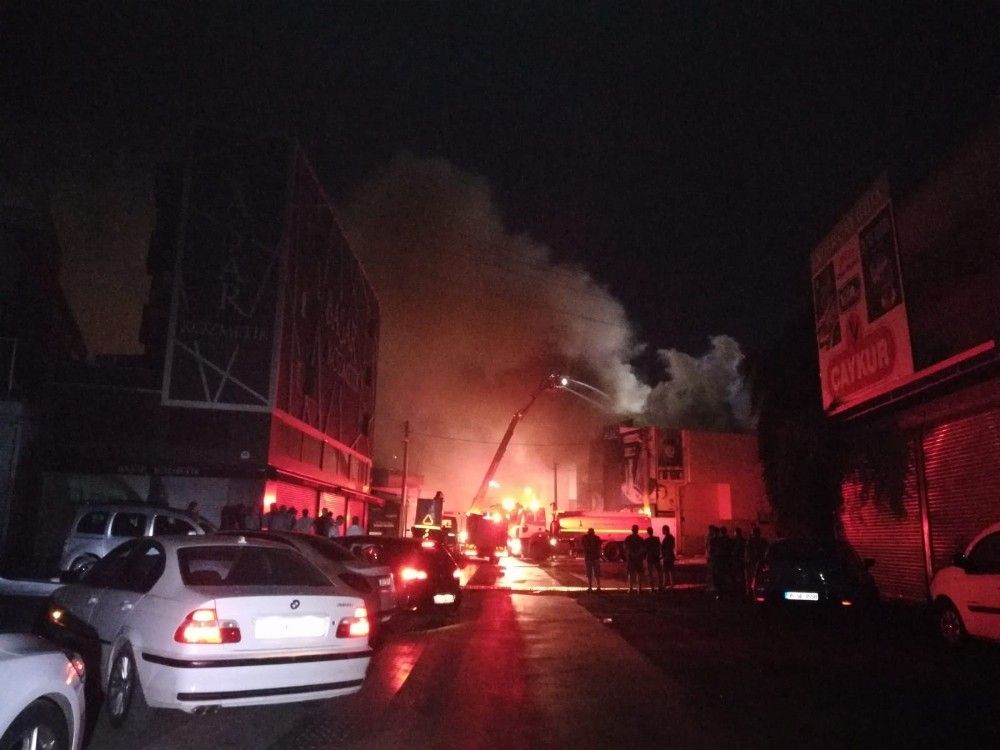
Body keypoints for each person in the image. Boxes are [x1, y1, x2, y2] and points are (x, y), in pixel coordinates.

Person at [745, 524, 768, 595]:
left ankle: (753, 591)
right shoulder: (751, 541)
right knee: (753, 577)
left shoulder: (760, 541)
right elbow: (747, 552)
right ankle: (752, 591)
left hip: (758, 562)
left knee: (755, 577)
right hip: (754, 562)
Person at [623, 524, 646, 593]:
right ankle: (639, 588)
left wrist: (631, 554)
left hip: (631, 559)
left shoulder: (628, 538)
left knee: (631, 573)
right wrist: (637, 554)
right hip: (639, 559)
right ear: (637, 530)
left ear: (632, 530)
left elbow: (625, 547)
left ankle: (630, 588)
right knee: (639, 573)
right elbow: (642, 548)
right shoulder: (640, 539)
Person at [644, 527, 663, 591]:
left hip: (649, 557)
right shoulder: (657, 539)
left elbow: (645, 550)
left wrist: (644, 556)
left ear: (648, 532)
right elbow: (660, 546)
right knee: (659, 571)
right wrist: (660, 554)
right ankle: (660, 586)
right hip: (656, 556)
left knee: (650, 572)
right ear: (652, 531)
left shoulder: (646, 540)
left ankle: (652, 587)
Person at [732, 527, 747, 595]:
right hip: (741, 560)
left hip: (738, 560)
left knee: (739, 575)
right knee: (742, 575)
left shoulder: (735, 541)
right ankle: (742, 589)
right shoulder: (744, 541)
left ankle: (739, 589)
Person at [661, 525, 676, 589]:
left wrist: (665, 556)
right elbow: (672, 547)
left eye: (663, 530)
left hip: (667, 557)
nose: (662, 531)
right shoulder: (671, 537)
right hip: (670, 556)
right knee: (670, 570)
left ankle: (665, 584)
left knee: (665, 570)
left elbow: (667, 548)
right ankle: (671, 584)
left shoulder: (667, 538)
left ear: (665, 530)